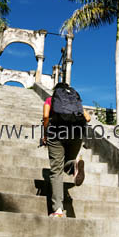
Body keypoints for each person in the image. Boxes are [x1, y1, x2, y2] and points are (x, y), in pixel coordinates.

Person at [42, 83, 91, 217]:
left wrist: (45, 133)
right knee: (69, 160)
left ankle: (58, 209)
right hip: (77, 133)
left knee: (56, 171)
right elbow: (87, 118)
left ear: (55, 91)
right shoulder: (74, 101)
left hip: (56, 133)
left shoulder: (50, 100)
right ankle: (74, 166)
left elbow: (46, 116)